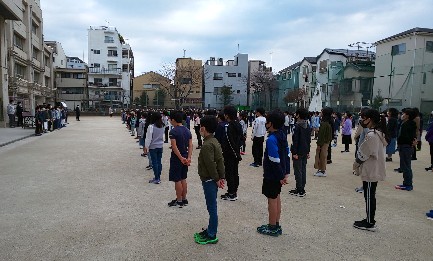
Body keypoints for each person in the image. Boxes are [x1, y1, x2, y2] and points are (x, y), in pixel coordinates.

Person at [352, 109, 388, 232]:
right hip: (374, 168)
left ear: (370, 119)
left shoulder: (372, 135)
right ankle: (369, 219)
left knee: (369, 195)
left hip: (371, 169)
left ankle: (370, 222)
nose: (362, 120)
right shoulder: (378, 133)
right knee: (370, 195)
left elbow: (364, 153)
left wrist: (356, 163)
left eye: (364, 117)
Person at [257, 110, 290, 237]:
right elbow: (287, 154)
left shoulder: (271, 139)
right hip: (280, 173)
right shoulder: (282, 135)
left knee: (272, 199)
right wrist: (286, 172)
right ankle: (276, 224)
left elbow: (274, 159)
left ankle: (272, 227)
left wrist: (280, 176)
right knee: (276, 197)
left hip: (272, 174)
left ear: (270, 123)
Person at [194, 116, 225, 245]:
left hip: (209, 179)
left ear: (203, 128)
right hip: (213, 178)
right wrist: (221, 176)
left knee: (212, 207)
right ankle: (210, 229)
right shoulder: (214, 140)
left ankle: (212, 233)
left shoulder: (207, 145)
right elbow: (220, 161)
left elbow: (211, 164)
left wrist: (217, 178)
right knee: (211, 206)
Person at [168, 111, 193, 208]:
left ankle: (179, 200)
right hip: (186, 157)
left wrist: (180, 158)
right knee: (183, 178)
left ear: (173, 120)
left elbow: (174, 147)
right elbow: (190, 145)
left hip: (177, 158)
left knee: (177, 179)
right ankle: (184, 198)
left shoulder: (173, 131)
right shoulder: (187, 130)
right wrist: (188, 157)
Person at [219, 106, 242, 201]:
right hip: (236, 152)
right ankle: (233, 191)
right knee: (235, 173)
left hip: (230, 153)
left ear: (227, 115)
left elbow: (229, 141)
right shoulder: (238, 124)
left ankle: (232, 193)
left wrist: (233, 152)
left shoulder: (228, 126)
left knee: (230, 173)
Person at [289, 108, 311, 197]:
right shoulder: (307, 125)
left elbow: (295, 140)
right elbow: (308, 140)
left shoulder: (297, 126)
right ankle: (302, 187)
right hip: (305, 150)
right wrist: (308, 151)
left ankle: (299, 189)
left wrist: (294, 152)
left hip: (298, 151)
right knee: (303, 169)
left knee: (298, 170)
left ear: (298, 115)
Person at [395, 108, 417, 191]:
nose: (401, 115)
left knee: (406, 166)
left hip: (405, 146)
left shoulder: (406, 124)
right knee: (406, 165)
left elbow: (404, 137)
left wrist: (409, 142)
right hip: (406, 146)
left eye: (403, 114)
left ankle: (408, 184)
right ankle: (406, 183)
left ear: (407, 115)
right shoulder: (409, 123)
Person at [144, 112, 165, 184]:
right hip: (160, 146)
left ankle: (157, 178)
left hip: (153, 147)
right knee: (159, 162)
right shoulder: (162, 126)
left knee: (154, 162)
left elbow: (148, 138)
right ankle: (158, 176)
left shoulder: (151, 126)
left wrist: (146, 146)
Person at [313, 108, 333, 177]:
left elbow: (321, 136)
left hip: (323, 143)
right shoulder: (328, 122)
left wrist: (319, 144)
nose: (320, 113)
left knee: (322, 156)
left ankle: (322, 170)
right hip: (326, 142)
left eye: (321, 112)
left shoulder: (324, 124)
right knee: (323, 156)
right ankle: (321, 169)